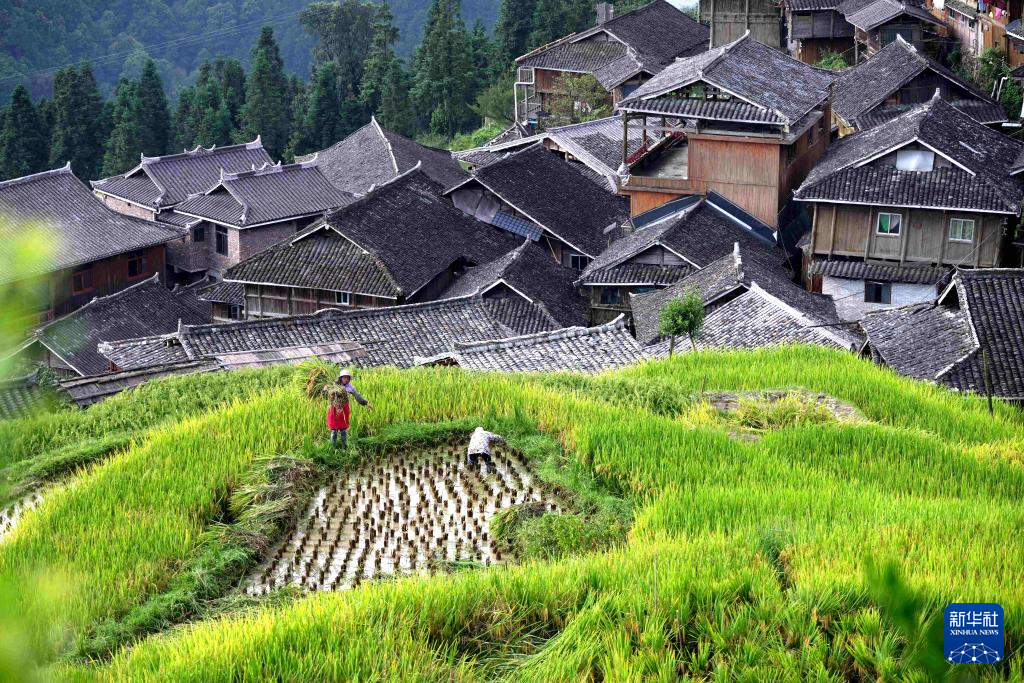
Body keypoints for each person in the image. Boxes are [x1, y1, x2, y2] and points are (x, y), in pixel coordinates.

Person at [326, 368, 373, 449]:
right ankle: (333, 448)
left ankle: (344, 447)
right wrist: (325, 389)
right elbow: (325, 396)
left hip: (344, 410)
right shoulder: (333, 385)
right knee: (334, 431)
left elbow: (358, 396)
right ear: (341, 378)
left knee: (343, 430)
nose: (346, 379)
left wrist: (366, 403)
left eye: (347, 378)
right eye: (344, 377)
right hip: (334, 410)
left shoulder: (350, 387)